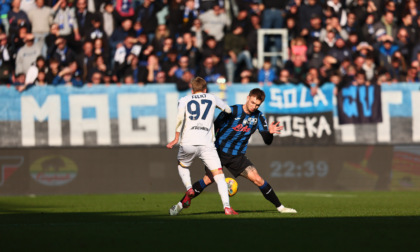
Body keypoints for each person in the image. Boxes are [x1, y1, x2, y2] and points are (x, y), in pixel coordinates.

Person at [169, 88, 297, 215]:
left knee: (258, 179)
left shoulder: (259, 116)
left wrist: (270, 132)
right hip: (218, 152)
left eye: (257, 105)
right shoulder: (232, 111)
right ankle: (179, 206)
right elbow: (215, 126)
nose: (254, 106)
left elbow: (267, 140)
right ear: (247, 98)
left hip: (237, 156)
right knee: (207, 180)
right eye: (252, 102)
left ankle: (281, 207)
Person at [167, 76, 237, 216]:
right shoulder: (211, 97)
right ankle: (227, 207)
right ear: (205, 89)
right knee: (219, 175)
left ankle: (189, 188)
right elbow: (228, 110)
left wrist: (176, 138)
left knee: (182, 165)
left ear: (192, 90)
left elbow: (180, 118)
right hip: (207, 143)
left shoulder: (184, 100)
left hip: (188, 141)